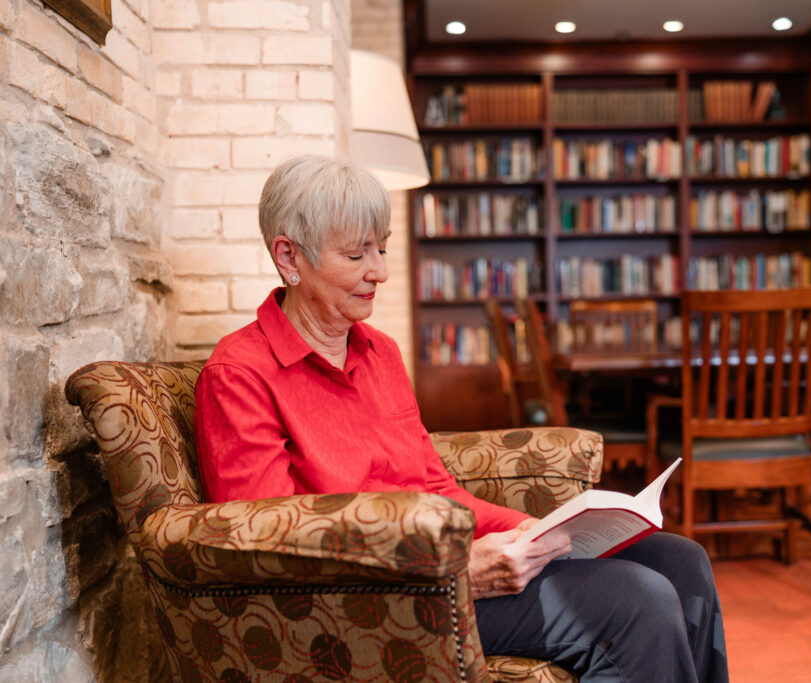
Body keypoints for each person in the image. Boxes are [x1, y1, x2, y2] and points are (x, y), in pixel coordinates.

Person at [194, 155, 729, 682]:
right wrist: (455, 572)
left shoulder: (378, 352)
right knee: (639, 600)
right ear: (289, 257)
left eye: (380, 248)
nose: (378, 271)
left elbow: (435, 486)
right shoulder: (239, 374)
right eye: (357, 254)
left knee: (681, 563)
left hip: (440, 569)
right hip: (376, 603)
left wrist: (529, 529)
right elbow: (269, 551)